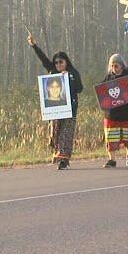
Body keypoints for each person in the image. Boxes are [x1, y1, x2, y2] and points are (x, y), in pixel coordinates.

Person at [27, 32, 83, 170]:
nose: (58, 64)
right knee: (55, 135)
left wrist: (69, 79)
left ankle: (64, 160)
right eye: (56, 62)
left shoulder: (73, 73)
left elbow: (79, 88)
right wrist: (34, 45)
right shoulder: (53, 72)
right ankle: (59, 155)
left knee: (65, 134)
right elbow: (44, 60)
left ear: (66, 62)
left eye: (61, 62)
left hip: (70, 110)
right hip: (55, 110)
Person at [101, 54, 128, 168]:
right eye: (112, 65)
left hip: (126, 113)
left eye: (117, 65)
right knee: (111, 137)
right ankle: (112, 160)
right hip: (112, 114)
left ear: (122, 66)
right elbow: (102, 93)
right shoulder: (108, 78)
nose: (114, 68)